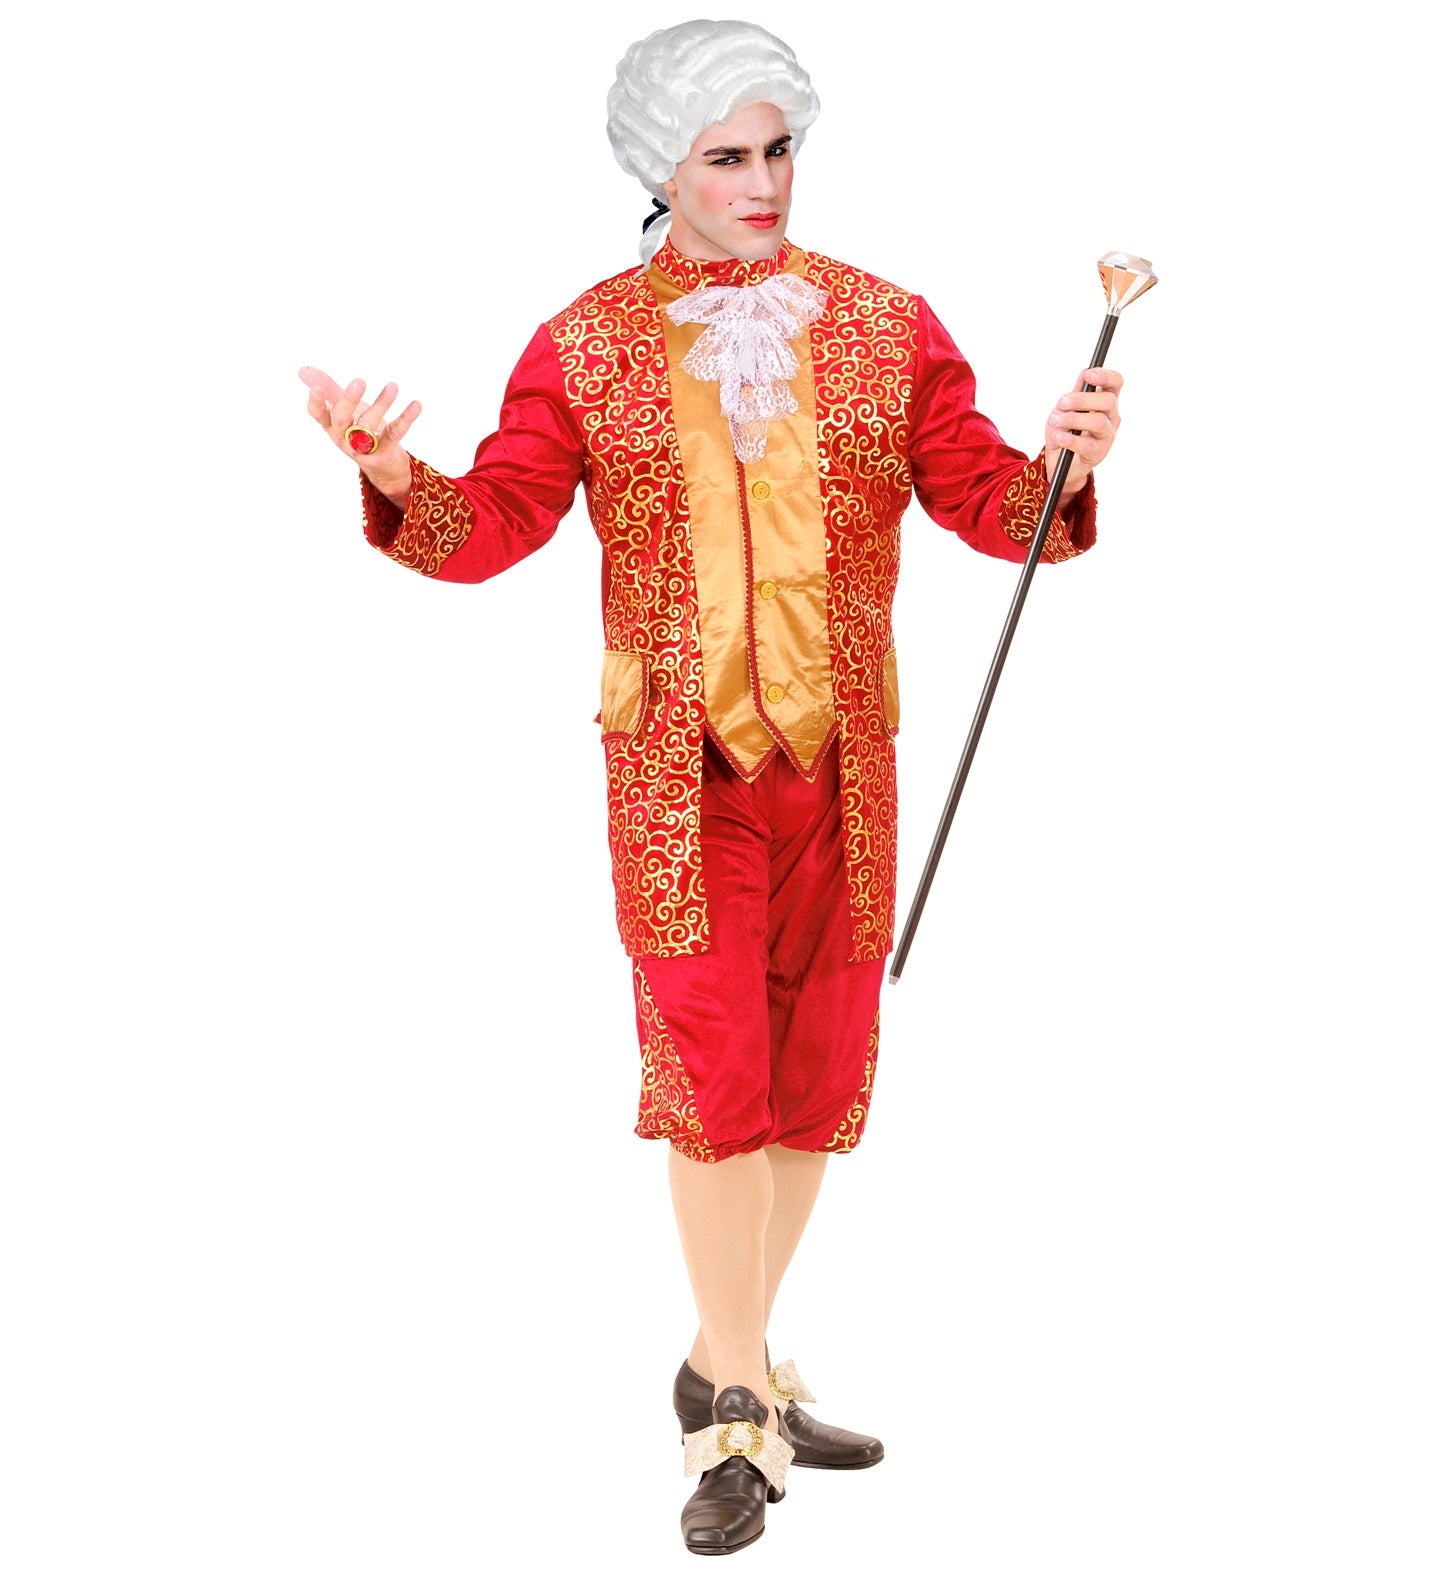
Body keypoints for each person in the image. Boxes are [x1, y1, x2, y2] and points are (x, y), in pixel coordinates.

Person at [299, 18, 1122, 1556]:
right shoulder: (587, 344)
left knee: (817, 1071)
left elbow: (988, 505)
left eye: (777, 149)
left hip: (844, 768)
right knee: (710, 1066)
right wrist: (401, 484)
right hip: (680, 778)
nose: (762, 181)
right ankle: (734, 1410)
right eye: (725, 156)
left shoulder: (888, 325)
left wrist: (1064, 465)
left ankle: (717, 1352)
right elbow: (494, 527)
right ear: (659, 167)